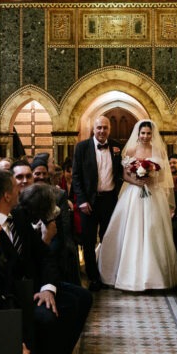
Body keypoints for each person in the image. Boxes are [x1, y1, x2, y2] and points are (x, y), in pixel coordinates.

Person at [0, 169, 92, 354]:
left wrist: (47, 288)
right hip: (12, 294)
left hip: (36, 285)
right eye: (15, 188)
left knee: (82, 298)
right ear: (6, 195)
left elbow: (44, 255)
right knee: (48, 317)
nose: (19, 192)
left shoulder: (19, 215)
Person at [97, 119, 177, 291]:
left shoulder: (158, 150)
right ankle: (130, 276)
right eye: (143, 133)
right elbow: (124, 175)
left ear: (152, 134)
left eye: (148, 133)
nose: (145, 136)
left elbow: (164, 177)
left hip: (153, 193)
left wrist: (151, 177)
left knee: (152, 229)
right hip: (134, 193)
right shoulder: (131, 149)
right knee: (132, 230)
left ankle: (155, 277)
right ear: (138, 133)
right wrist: (136, 180)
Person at [71, 114, 123, 291]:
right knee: (88, 240)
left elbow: (122, 174)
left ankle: (108, 274)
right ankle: (94, 277)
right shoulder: (82, 147)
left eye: (105, 128)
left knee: (109, 239)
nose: (102, 131)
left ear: (110, 129)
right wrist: (82, 201)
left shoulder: (117, 147)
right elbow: (76, 177)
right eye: (99, 127)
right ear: (93, 129)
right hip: (89, 201)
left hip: (110, 200)